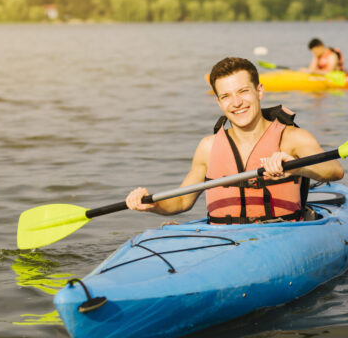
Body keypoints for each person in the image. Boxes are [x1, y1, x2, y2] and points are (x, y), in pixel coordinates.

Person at [126, 57, 344, 223]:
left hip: (282, 232)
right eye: (226, 96)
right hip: (225, 238)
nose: (236, 102)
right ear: (219, 102)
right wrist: (152, 204)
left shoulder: (292, 138)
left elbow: (334, 171)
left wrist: (296, 169)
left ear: (259, 91)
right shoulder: (207, 147)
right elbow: (183, 200)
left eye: (243, 91)